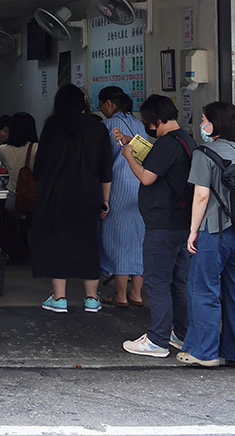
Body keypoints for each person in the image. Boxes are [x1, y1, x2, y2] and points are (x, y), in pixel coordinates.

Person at [178, 101, 235, 369]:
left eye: (204, 119)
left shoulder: (205, 153)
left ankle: (204, 352)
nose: (201, 125)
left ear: (215, 124)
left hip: (215, 231)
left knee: (203, 289)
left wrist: (192, 232)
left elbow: (201, 196)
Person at [115, 94, 195, 359]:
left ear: (158, 120)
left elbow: (147, 177)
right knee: (178, 283)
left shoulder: (166, 144)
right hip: (182, 223)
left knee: (158, 282)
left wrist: (128, 155)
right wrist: (134, 142)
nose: (149, 127)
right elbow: (163, 162)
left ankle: (157, 340)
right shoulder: (185, 140)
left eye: (150, 123)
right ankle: (180, 335)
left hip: (163, 225)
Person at [31, 85, 113, 314]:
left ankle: (59, 298)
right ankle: (91, 299)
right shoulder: (98, 128)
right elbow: (106, 169)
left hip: (55, 194)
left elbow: (39, 168)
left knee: (56, 241)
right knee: (87, 241)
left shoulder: (52, 126)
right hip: (88, 193)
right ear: (83, 103)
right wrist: (105, 200)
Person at [97, 87, 147, 308]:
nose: (100, 108)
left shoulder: (106, 126)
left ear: (110, 103)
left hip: (116, 188)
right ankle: (136, 293)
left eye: (101, 104)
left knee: (117, 241)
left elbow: (101, 162)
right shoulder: (141, 126)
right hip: (142, 187)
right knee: (138, 240)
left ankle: (120, 295)